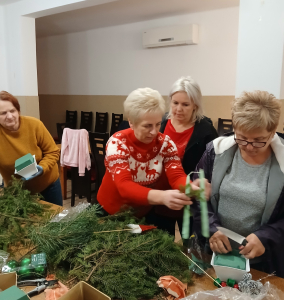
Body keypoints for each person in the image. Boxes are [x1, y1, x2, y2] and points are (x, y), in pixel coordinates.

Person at [193, 90, 284, 277]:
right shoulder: (215, 152)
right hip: (216, 254)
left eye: (259, 141)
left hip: (264, 262)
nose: (249, 147)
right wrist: (212, 229)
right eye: (242, 138)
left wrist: (266, 237)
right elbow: (197, 197)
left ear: (273, 132)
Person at [97, 87, 211, 220]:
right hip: (110, 213)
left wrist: (191, 188)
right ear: (131, 122)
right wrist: (162, 197)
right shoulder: (118, 143)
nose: (154, 132)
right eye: (147, 126)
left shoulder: (165, 144)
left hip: (142, 212)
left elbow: (176, 176)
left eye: (157, 124)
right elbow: (124, 186)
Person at [153, 76, 218, 234]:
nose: (178, 109)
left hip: (191, 203)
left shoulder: (206, 131)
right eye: (175, 103)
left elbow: (213, 167)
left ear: (195, 105)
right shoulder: (159, 124)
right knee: (160, 247)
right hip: (161, 200)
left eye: (185, 104)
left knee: (191, 248)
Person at [0, 91, 62, 206]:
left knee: (56, 219)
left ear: (18, 110)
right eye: (3, 113)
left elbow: (53, 152)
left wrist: (42, 167)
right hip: (16, 190)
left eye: (12, 111)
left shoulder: (34, 125)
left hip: (48, 186)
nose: (10, 116)